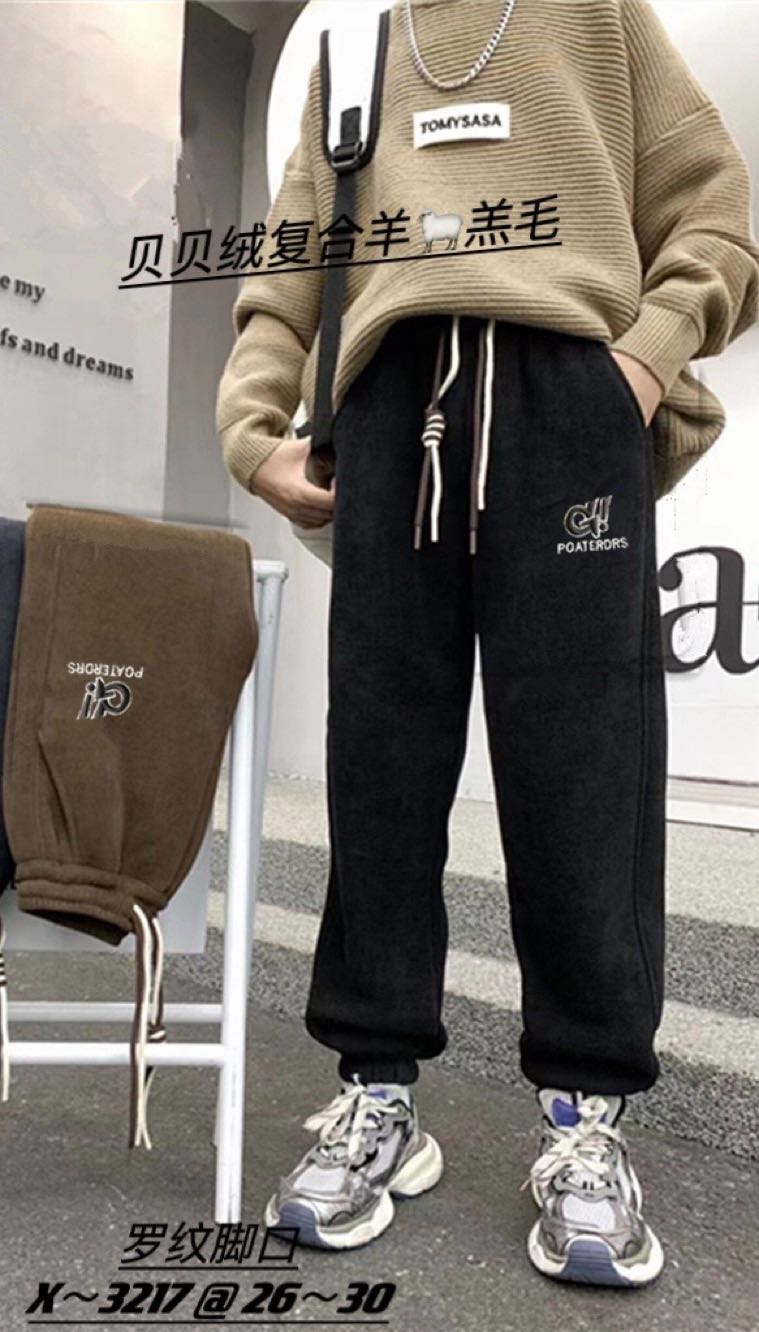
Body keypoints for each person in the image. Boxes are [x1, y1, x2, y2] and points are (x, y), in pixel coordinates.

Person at [215, 0, 759, 1287]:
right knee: (380, 767)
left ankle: (585, 1116)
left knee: (584, 772)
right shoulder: (354, 48)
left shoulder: (596, 14)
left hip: (572, 399)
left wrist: (641, 365)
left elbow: (719, 216)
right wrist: (252, 428)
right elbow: (287, 274)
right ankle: (376, 1093)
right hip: (389, 411)